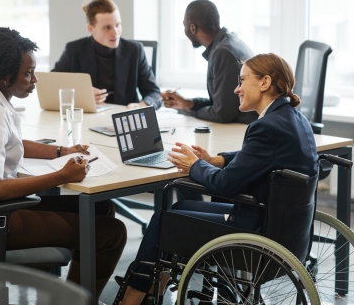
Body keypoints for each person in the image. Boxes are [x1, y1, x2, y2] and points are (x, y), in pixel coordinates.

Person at [119, 53, 318, 305]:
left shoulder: (266, 127)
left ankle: (131, 299)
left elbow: (223, 184)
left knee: (162, 220)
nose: (236, 89)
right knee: (180, 208)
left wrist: (195, 165)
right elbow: (261, 156)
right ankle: (153, 292)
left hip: (254, 233)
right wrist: (217, 160)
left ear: (265, 82)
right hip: (285, 230)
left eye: (242, 80)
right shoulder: (293, 118)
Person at [0, 27, 127, 301]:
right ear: (5, 75)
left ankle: (67, 294)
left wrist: (62, 150)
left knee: (103, 208)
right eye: (27, 73)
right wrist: (60, 175)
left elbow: (14, 142)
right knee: (111, 233)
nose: (35, 80)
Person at [52, 0, 162, 109]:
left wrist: (142, 105)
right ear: (90, 29)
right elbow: (51, 85)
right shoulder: (74, 49)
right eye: (107, 28)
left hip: (124, 119)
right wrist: (81, 96)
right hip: (88, 118)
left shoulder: (135, 50)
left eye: (118, 25)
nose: (115, 32)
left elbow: (155, 93)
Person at [162, 0, 257, 124]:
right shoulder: (229, 41)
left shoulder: (222, 52)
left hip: (242, 128)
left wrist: (191, 111)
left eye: (184, 25)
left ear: (192, 28)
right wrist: (189, 103)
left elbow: (222, 114)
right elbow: (220, 102)